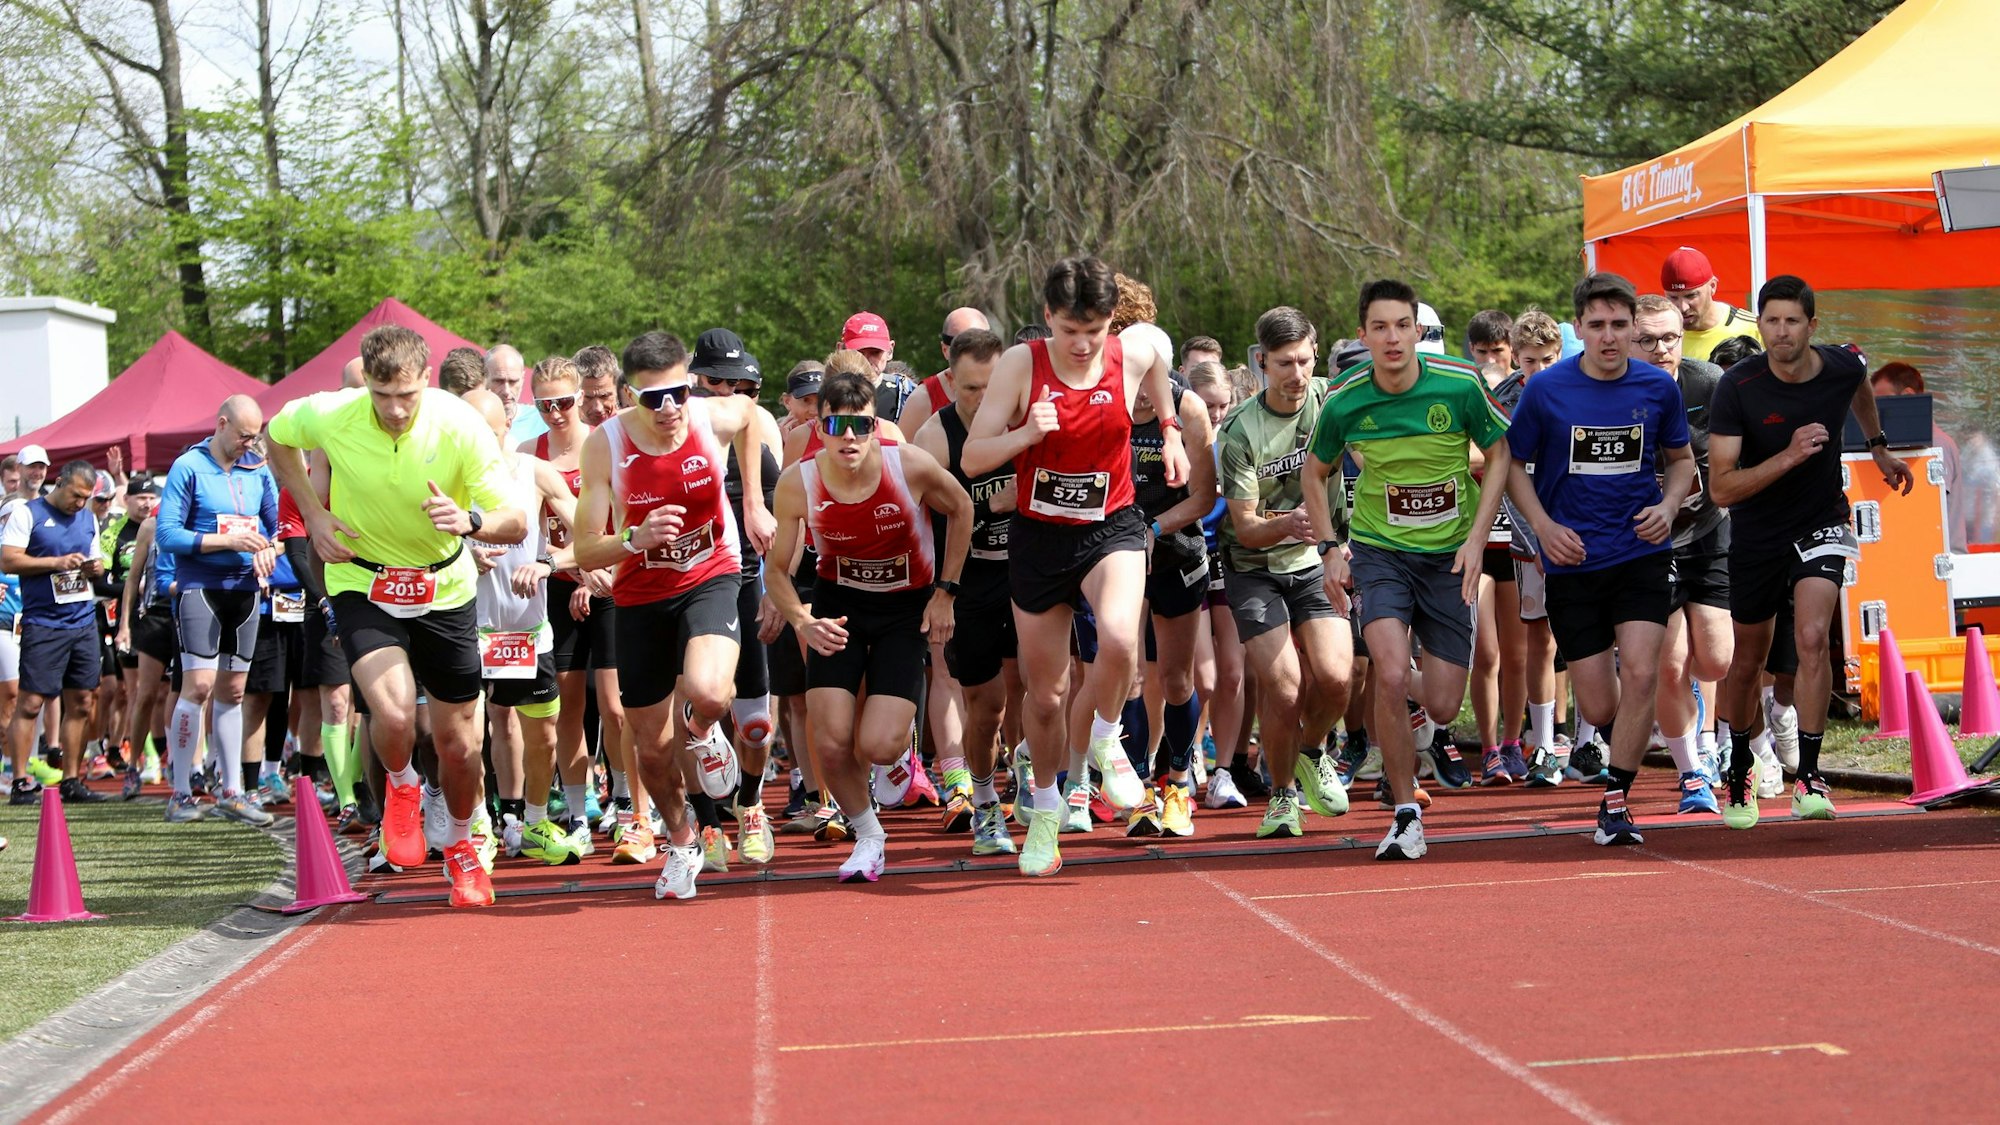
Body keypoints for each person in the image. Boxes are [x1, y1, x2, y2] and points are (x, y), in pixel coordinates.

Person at [266, 324, 530, 908]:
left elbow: (513, 519)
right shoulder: (333, 413)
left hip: (444, 587)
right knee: (392, 711)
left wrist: (471, 521)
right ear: (367, 383)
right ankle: (403, 787)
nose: (394, 409)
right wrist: (313, 513)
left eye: (406, 395)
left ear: (426, 381)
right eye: (382, 396)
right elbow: (276, 436)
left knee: (459, 743)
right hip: (362, 579)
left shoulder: (460, 425)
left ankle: (460, 844)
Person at [962, 256, 1186, 877]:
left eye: (1095, 329)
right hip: (1040, 539)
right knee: (1046, 696)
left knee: (1119, 639)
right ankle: (1043, 812)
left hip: (1111, 525)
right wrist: (1025, 435)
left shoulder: (1131, 351)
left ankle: (1108, 739)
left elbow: (1157, 362)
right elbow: (975, 458)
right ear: (1048, 318)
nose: (1083, 344)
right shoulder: (1021, 365)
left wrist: (1169, 428)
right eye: (1069, 331)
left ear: (1111, 321)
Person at [1303, 279, 1512, 862]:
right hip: (1379, 552)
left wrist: (1477, 539)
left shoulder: (1460, 383)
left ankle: (1414, 698)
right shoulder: (1345, 397)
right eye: (1380, 327)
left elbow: (1500, 453)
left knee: (1443, 705)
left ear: (1418, 331)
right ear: (1363, 335)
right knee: (1390, 676)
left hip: (1449, 556)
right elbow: (1314, 472)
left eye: (1402, 326)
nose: (1393, 338)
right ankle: (1404, 815)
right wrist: (1329, 548)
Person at [571, 331, 772, 902]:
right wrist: (633, 539)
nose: (668, 409)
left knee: (710, 693)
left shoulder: (711, 417)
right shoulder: (606, 446)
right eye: (652, 399)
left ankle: (703, 730)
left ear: (690, 385)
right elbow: (585, 549)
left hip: (711, 573)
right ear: (630, 396)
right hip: (639, 596)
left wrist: (753, 502)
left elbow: (750, 417)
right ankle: (683, 842)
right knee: (653, 750)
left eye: (677, 393)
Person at [1708, 275, 1911, 828]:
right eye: (1771, 321)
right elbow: (1721, 488)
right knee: (1748, 660)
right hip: (1757, 533)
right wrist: (1790, 456)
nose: (1781, 332)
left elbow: (1860, 380)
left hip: (1821, 521)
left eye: (1791, 321)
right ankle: (1741, 765)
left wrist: (1878, 447)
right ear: (1760, 325)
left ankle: (1811, 777)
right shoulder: (1738, 386)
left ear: (1811, 325)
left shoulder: (1840, 365)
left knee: (1814, 637)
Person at [1503, 274, 1695, 845]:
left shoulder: (1657, 387)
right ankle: (1612, 738)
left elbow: (1682, 460)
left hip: (1640, 551)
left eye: (1619, 325)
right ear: (1579, 328)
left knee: (1642, 673)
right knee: (1598, 700)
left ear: (1633, 327)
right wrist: (1544, 529)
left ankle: (1616, 801)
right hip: (1574, 561)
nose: (1609, 337)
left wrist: (1667, 505)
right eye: (1597, 325)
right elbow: (1512, 466)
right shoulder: (1547, 390)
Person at [766, 370, 972, 882]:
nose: (850, 437)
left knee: (879, 744)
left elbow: (962, 507)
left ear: (874, 426)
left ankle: (896, 755)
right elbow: (776, 570)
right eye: (837, 425)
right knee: (831, 740)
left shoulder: (909, 465)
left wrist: (946, 592)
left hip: (904, 611)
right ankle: (868, 834)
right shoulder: (798, 481)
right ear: (820, 428)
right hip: (838, 610)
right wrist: (802, 620)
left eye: (861, 425)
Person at [1216, 307, 1353, 838]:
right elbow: (1247, 529)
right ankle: (1281, 795)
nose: (1296, 374)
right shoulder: (1239, 431)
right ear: (1261, 362)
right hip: (1255, 568)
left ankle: (1312, 752)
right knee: (1286, 688)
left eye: (1303, 361)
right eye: (1283, 364)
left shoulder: (1332, 400)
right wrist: (1290, 523)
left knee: (1337, 679)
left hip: (1317, 561)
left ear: (1315, 354)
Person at [913, 328, 1024, 854]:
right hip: (969, 581)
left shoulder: (1026, 422)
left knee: (1046, 686)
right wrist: (939, 593)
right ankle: (983, 800)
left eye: (991, 387)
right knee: (988, 705)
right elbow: (919, 522)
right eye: (971, 388)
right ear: (951, 382)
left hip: (1027, 574)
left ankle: (1038, 784)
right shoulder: (935, 439)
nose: (982, 399)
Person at [466, 387, 582, 865]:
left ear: (507, 429)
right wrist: (463, 558)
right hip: (467, 628)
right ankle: (477, 829)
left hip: (527, 630)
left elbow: (590, 537)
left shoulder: (534, 472)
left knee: (545, 734)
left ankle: (534, 824)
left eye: (491, 435)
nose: (483, 446)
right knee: (466, 736)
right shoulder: (444, 477)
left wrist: (548, 563)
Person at [156, 396, 282, 826]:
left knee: (234, 692)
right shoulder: (188, 467)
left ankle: (233, 791)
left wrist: (269, 550)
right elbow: (167, 535)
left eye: (255, 436)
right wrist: (226, 542)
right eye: (244, 435)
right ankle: (181, 792)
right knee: (198, 687)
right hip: (200, 588)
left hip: (245, 591)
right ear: (222, 423)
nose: (250, 443)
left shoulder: (257, 470)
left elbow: (282, 530)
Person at [689, 328, 786, 870]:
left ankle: (750, 804)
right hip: (690, 581)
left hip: (748, 575)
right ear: (694, 379)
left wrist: (776, 589)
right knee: (697, 704)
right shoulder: (674, 421)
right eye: (717, 382)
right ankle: (705, 819)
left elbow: (784, 513)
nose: (729, 393)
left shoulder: (757, 421)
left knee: (754, 719)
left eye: (741, 384)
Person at [1632, 294, 1732, 810]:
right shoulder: (1612, 393)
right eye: (1647, 340)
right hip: (1648, 545)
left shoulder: (1709, 384)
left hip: (1708, 533)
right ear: (1629, 342)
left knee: (1714, 662)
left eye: (1669, 337)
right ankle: (1693, 771)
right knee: (1670, 666)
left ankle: (1707, 721)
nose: (1661, 349)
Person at [2, 461, 109, 807]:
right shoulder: (27, 513)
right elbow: (8, 560)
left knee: (82, 702)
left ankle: (71, 780)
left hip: (82, 621)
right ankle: (20, 782)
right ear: (60, 482)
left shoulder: (88, 518)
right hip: (44, 622)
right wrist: (55, 563)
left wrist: (95, 567)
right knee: (30, 703)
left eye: (86, 497)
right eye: (76, 495)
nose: (80, 503)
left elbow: (96, 563)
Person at [1872, 361, 1965, 554]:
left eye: (1883, 401)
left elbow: (1927, 511)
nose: (1877, 412)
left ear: (1908, 396)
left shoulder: (1938, 444)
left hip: (1946, 561)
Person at [896, 307, 992, 438]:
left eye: (980, 345)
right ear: (945, 350)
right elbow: (902, 449)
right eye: (963, 348)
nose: (973, 355)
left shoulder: (1009, 388)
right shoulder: (923, 399)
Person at [1662, 247, 1760, 363]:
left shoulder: (1754, 329)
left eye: (1691, 296)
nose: (1683, 307)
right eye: (1673, 297)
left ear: (1712, 286)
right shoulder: (1659, 335)